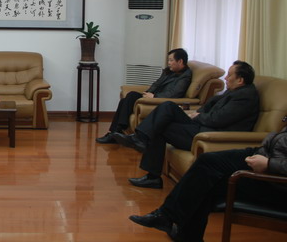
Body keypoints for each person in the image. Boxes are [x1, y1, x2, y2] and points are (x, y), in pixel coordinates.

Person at [129, 120, 287, 242]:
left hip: (276, 182)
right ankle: (177, 227)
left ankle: (170, 220)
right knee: (206, 167)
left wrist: (269, 164)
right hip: (263, 156)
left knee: (208, 176)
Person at [114, 60, 259, 189]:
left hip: (209, 134)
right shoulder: (235, 91)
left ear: (240, 80)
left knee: (161, 123)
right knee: (168, 107)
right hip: (202, 126)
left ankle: (150, 169)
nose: (226, 78)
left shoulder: (245, 96)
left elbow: (218, 119)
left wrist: (198, 116)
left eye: (229, 75)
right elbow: (210, 109)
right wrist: (194, 112)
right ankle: (141, 142)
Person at [96, 48, 192, 144]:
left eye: (171, 60)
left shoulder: (185, 75)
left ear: (180, 61)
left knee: (128, 99)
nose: (169, 63)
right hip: (151, 97)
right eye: (168, 60)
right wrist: (147, 93)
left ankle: (115, 132)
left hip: (159, 101)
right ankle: (114, 131)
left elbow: (174, 93)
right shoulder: (168, 71)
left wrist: (154, 96)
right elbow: (156, 84)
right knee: (129, 97)